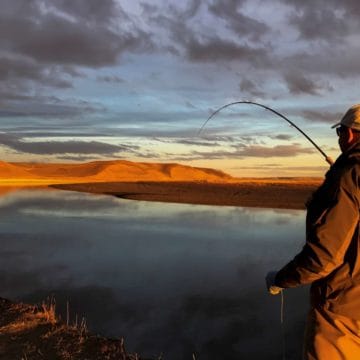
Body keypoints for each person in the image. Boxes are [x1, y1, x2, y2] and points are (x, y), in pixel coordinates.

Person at [266, 104, 360, 359]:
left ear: (350, 134)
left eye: (340, 131)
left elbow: (323, 258)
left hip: (343, 313)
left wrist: (279, 280)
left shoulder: (350, 176)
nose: (340, 137)